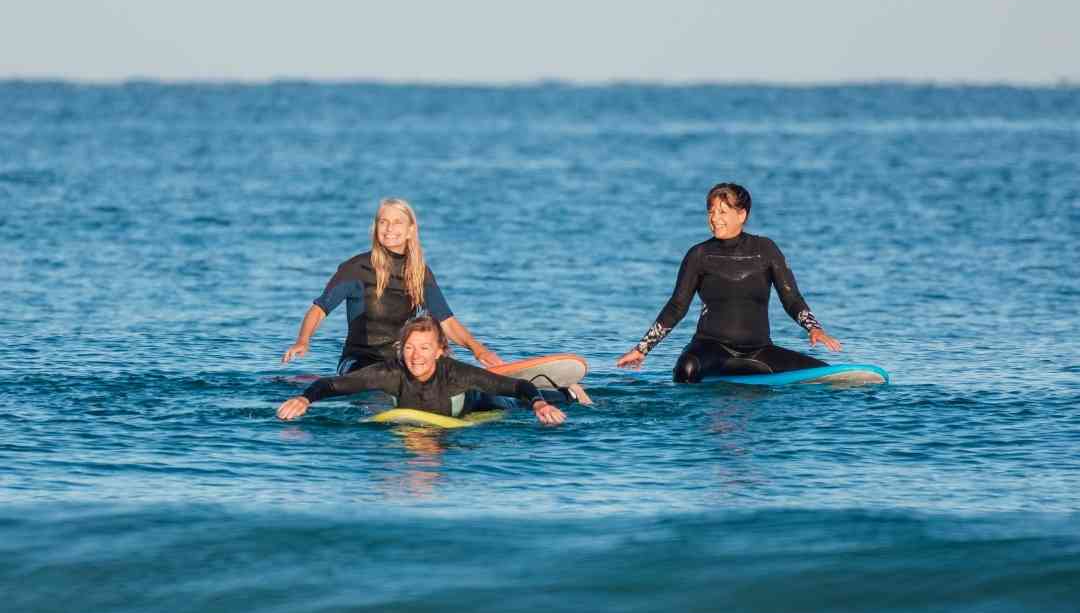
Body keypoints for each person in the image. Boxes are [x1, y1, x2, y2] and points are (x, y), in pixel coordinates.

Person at [616, 183, 842, 382]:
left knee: (827, 375)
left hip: (759, 351)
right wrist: (642, 349)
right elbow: (677, 306)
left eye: (722, 211)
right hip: (711, 349)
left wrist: (814, 328)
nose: (714, 218)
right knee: (685, 370)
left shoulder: (766, 250)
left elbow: (791, 298)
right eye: (711, 212)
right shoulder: (699, 255)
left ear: (741, 215)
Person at [281, 197, 502, 376]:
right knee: (387, 380)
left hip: (402, 361)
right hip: (358, 362)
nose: (389, 229)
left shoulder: (419, 273)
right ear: (375, 227)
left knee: (447, 374)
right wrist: (303, 340)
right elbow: (319, 310)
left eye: (397, 222)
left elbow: (447, 322)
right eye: (383, 222)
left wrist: (478, 350)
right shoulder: (356, 267)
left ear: (410, 230)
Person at [277, 316, 567, 426]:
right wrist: (304, 399)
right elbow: (334, 384)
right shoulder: (389, 373)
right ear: (400, 348)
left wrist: (540, 403)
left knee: (509, 402)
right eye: (410, 348)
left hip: (476, 401)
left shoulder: (455, 373)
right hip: (426, 421)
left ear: (440, 350)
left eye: (425, 348)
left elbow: (515, 387)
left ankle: (566, 392)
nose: (416, 356)